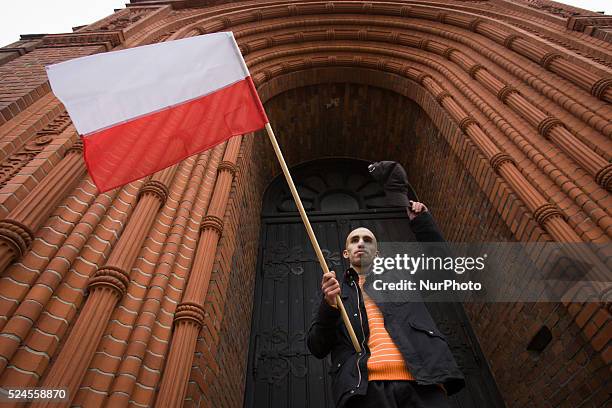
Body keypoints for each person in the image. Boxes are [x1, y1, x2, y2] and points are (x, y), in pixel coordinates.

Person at [307, 179, 465, 407]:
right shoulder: (333, 294)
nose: (361, 244)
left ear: (377, 253)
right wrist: (328, 307)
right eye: (354, 240)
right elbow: (317, 347)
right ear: (346, 252)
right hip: (366, 390)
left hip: (423, 384)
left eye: (367, 240)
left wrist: (423, 223)